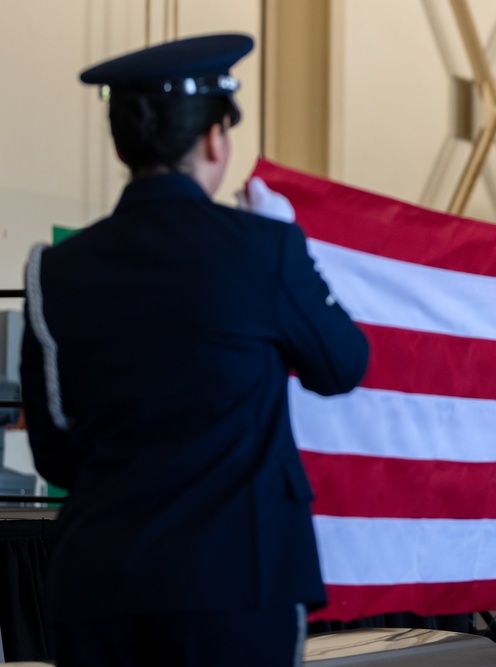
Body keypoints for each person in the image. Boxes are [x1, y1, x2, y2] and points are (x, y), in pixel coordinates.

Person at [19, 34, 369, 666]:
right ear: (214, 139)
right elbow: (342, 366)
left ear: (124, 144)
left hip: (100, 584)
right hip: (235, 585)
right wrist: (292, 245)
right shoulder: (263, 250)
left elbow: (55, 454)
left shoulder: (55, 271)